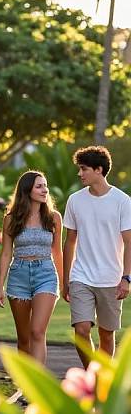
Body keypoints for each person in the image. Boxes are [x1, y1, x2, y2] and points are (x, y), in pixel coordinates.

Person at [63, 146, 131, 368]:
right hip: (81, 276)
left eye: (84, 169)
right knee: (81, 330)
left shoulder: (122, 201)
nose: (80, 174)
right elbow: (70, 241)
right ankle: (90, 375)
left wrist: (126, 277)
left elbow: (129, 242)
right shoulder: (74, 200)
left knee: (106, 335)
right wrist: (66, 279)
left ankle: (102, 380)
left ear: (99, 169)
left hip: (111, 279)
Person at [0, 171, 63, 365]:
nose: (45, 190)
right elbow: (6, 253)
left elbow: (57, 252)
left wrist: (64, 283)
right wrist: (0, 286)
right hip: (19, 276)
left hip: (46, 275)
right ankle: (25, 385)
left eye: (45, 185)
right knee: (24, 339)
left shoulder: (53, 218)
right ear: (27, 190)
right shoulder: (11, 219)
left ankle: (37, 389)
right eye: (39, 186)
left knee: (37, 332)